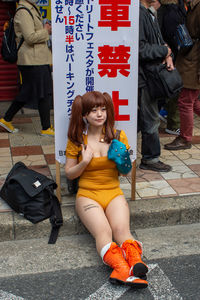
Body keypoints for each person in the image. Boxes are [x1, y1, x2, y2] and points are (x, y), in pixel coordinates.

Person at [65, 91, 148, 288]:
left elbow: (125, 174)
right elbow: (69, 174)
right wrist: (84, 162)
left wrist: (123, 161)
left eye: (103, 109)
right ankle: (120, 268)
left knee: (122, 231)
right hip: (87, 195)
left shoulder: (118, 136)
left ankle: (136, 263)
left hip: (113, 192)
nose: (100, 114)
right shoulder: (77, 140)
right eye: (94, 110)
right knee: (104, 231)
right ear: (84, 115)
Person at [0, 0, 54, 137]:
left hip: (37, 59)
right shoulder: (23, 11)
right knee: (44, 92)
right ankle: (46, 128)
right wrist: (46, 31)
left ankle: (6, 120)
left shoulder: (31, 9)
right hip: (32, 60)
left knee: (28, 92)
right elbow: (30, 37)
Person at [138, 0, 172, 172]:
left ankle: (150, 156)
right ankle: (150, 158)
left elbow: (159, 42)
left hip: (149, 76)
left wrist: (167, 54)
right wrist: (164, 51)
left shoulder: (147, 13)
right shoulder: (139, 14)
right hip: (144, 77)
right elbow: (140, 49)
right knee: (150, 118)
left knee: (149, 117)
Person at [164, 0, 200, 150]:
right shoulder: (192, 6)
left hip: (194, 61)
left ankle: (185, 138)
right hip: (189, 59)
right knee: (193, 100)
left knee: (186, 101)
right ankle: (184, 137)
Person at [157, 0, 188, 136]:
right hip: (172, 56)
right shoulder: (172, 12)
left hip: (173, 55)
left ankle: (172, 122)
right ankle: (173, 124)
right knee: (177, 92)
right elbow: (170, 35)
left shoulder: (171, 10)